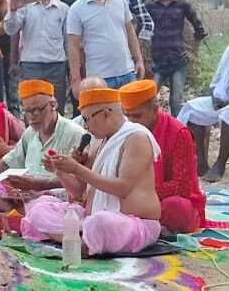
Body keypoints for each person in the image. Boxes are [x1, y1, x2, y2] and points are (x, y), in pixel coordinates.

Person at [21, 86, 163, 255]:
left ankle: (77, 238)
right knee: (38, 208)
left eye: (87, 119)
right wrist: (60, 170)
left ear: (106, 113)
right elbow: (79, 190)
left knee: (101, 223)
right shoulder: (99, 142)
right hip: (90, 219)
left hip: (132, 224)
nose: (86, 126)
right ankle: (80, 240)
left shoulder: (136, 138)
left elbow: (123, 188)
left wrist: (78, 168)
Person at [0, 79, 86, 214]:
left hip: (54, 197)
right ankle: (16, 215)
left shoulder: (75, 134)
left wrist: (36, 184)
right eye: (27, 111)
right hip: (27, 193)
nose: (32, 117)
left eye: (37, 110)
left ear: (53, 105)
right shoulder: (30, 133)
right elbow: (6, 162)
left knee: (45, 204)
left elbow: (79, 184)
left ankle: (16, 216)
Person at [120, 79, 206, 234]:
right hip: (133, 197)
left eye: (137, 116)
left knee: (177, 208)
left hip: (160, 201)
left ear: (155, 110)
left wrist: (143, 194)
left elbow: (182, 187)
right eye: (128, 116)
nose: (132, 122)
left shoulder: (179, 133)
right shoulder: (124, 131)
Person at [178, 12, 229, 181]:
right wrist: (215, 97)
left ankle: (220, 164)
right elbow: (216, 80)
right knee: (191, 108)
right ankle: (201, 163)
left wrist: (227, 102)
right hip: (222, 99)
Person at [67, 0, 147, 92]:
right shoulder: (77, 9)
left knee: (130, 112)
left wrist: (139, 60)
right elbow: (73, 46)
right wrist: (76, 79)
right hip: (99, 78)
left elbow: (129, 31)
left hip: (127, 72)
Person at [5, 0, 71, 113]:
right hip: (31, 65)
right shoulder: (24, 6)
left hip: (56, 65)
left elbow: (67, 41)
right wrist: (12, 11)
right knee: (32, 109)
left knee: (56, 109)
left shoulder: (63, 9)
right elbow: (10, 30)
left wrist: (70, 67)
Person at [145, 0, 208, 113]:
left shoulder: (182, 5)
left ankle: (178, 132)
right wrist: (145, 59)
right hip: (158, 62)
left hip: (178, 61)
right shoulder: (148, 7)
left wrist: (192, 52)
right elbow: (141, 33)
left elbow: (200, 30)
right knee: (148, 99)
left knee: (176, 101)